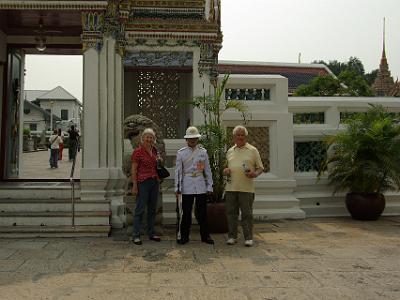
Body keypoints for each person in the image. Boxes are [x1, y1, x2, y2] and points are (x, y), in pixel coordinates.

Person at [223, 125, 264, 247]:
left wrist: (254, 174)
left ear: (246, 137)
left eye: (242, 135)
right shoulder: (230, 151)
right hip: (231, 188)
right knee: (231, 213)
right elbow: (226, 167)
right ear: (234, 137)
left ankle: (248, 238)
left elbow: (260, 168)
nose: (240, 137)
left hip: (246, 189)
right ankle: (232, 236)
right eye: (238, 135)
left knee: (247, 214)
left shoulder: (253, 150)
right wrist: (225, 170)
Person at [175, 126, 214, 245]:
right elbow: (178, 171)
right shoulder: (181, 153)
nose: (192, 140)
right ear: (186, 140)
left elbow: (208, 170)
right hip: (187, 185)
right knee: (186, 213)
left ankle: (205, 236)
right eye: (190, 138)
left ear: (197, 139)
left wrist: (209, 186)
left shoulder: (203, 152)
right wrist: (178, 187)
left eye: (195, 138)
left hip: (200, 184)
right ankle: (184, 236)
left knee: (202, 212)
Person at [131, 128, 162, 245]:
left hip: (154, 181)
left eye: (151, 137)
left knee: (152, 209)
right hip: (142, 182)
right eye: (147, 137)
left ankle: (151, 232)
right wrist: (134, 185)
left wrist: (160, 161)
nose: (149, 139)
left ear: (154, 139)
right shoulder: (137, 152)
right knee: (140, 209)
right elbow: (134, 170)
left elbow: (156, 165)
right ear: (142, 138)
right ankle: (136, 235)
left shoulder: (154, 151)